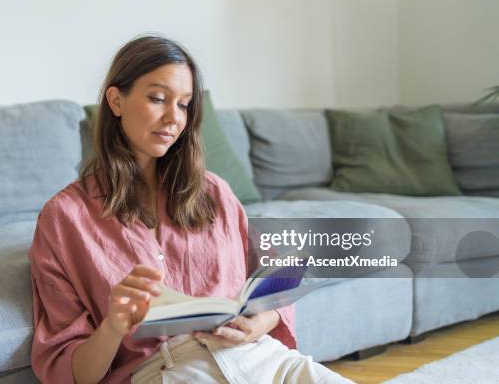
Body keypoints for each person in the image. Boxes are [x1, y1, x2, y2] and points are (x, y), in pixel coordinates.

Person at [28, 35, 353, 384]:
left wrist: (258, 323)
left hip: (263, 358)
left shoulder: (215, 193)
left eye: (184, 105)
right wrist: (114, 325)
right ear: (116, 100)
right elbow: (70, 372)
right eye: (157, 98)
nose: (173, 118)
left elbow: (274, 287)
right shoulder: (64, 218)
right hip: (168, 371)